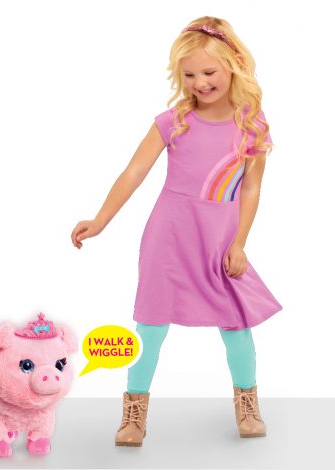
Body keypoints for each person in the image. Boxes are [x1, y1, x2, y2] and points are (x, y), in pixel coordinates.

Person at [70, 16, 283, 447]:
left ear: (234, 66)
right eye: (189, 75)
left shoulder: (252, 125)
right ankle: (134, 413)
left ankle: (247, 404)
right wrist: (101, 219)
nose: (200, 83)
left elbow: (251, 188)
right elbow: (134, 172)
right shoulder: (174, 121)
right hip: (168, 236)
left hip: (219, 239)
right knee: (150, 326)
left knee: (236, 325)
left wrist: (240, 242)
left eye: (209, 72)